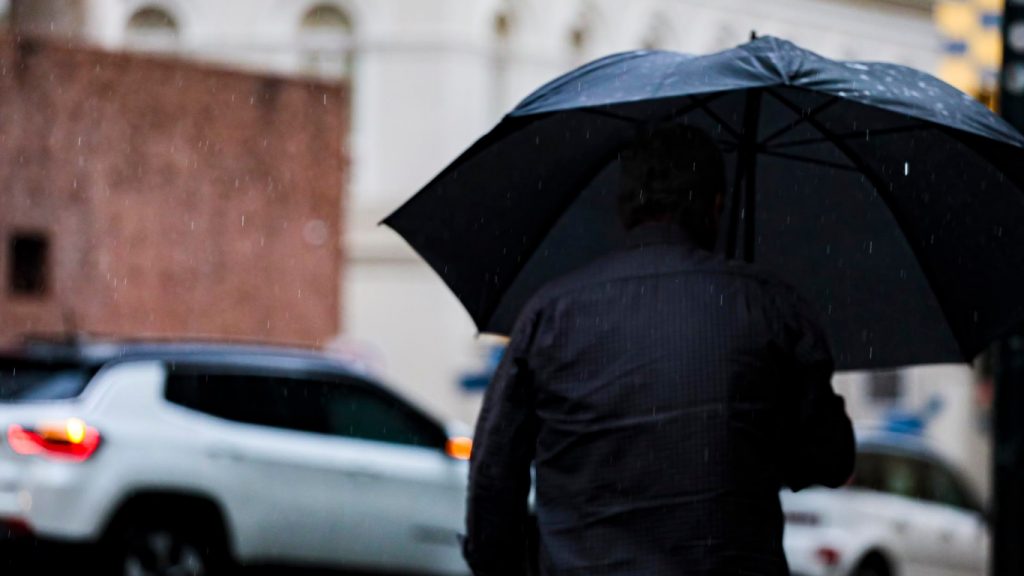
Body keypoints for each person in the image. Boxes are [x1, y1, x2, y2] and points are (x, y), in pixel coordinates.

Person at [462, 123, 855, 576]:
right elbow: (830, 459)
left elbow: (494, 475)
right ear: (715, 207)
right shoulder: (771, 309)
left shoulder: (552, 314)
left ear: (624, 210)